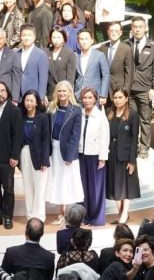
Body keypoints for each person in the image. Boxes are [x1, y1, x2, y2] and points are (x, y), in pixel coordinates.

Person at [0, 80, 24, 229]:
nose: (0, 93)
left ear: (7, 93)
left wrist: (15, 156)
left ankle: (7, 217)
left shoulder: (14, 111)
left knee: (8, 189)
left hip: (7, 158)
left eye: (2, 91)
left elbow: (18, 135)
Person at [47, 80, 85, 222]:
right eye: (59, 90)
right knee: (58, 181)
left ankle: (69, 215)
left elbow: (76, 135)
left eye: (64, 90)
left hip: (68, 152)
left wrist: (69, 156)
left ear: (70, 93)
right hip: (54, 150)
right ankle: (61, 214)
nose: (62, 93)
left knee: (68, 182)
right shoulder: (52, 108)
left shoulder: (76, 110)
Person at [76, 86, 109, 225]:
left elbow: (105, 138)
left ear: (95, 99)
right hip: (80, 155)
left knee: (96, 188)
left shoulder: (101, 116)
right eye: (85, 97)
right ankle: (83, 216)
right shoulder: (79, 114)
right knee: (82, 188)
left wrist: (102, 158)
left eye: (90, 97)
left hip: (95, 156)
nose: (87, 100)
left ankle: (97, 218)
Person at [106, 88, 140, 225]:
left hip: (125, 154)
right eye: (115, 97)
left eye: (120, 97)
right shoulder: (109, 112)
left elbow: (134, 138)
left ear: (126, 99)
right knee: (115, 183)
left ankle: (125, 213)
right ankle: (120, 213)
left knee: (126, 185)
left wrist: (132, 161)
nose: (117, 100)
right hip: (111, 152)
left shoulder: (133, 114)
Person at [127, 16, 154, 158]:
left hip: (145, 89)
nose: (137, 29)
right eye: (135, 27)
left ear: (145, 28)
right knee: (131, 120)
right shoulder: (127, 44)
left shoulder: (152, 46)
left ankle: (144, 147)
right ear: (131, 29)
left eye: (140, 27)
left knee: (145, 119)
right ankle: (133, 147)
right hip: (129, 89)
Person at [20, 89, 52, 220]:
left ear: (37, 102)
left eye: (31, 100)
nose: (29, 103)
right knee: (28, 187)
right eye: (27, 100)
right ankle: (30, 216)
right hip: (24, 153)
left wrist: (45, 161)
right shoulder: (21, 117)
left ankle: (39, 217)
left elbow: (46, 140)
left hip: (39, 156)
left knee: (40, 188)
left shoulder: (43, 117)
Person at [75, 30, 110, 105]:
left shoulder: (99, 55)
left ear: (92, 41)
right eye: (81, 39)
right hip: (78, 95)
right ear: (78, 41)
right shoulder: (75, 56)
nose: (84, 42)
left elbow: (106, 75)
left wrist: (103, 95)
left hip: (94, 95)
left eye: (86, 39)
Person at [17, 25, 50, 101]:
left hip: (34, 97)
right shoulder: (16, 54)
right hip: (19, 97)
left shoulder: (41, 55)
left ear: (34, 37)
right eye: (24, 35)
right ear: (20, 37)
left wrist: (40, 98)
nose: (26, 38)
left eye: (29, 35)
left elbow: (43, 80)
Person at [101, 22, 131, 93]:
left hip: (119, 89)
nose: (114, 33)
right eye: (111, 31)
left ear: (121, 33)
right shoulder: (103, 48)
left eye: (116, 31)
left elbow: (129, 72)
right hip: (104, 89)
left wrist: (125, 91)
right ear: (108, 32)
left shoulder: (126, 49)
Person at [48, 29, 78, 95]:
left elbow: (70, 76)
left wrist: (67, 91)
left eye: (59, 37)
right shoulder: (46, 52)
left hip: (63, 92)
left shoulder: (69, 53)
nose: (56, 40)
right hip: (49, 92)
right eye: (54, 37)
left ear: (63, 38)